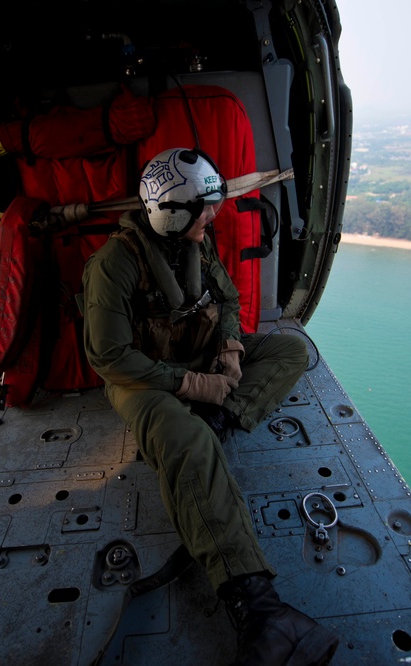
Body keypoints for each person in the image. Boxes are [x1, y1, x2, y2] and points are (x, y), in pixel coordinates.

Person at [82, 148, 338, 665]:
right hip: (142, 381)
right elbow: (109, 357)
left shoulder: (194, 241)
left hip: (197, 356)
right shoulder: (114, 266)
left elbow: (226, 300)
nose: (213, 217)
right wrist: (191, 384)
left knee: (290, 350)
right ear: (172, 215)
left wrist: (229, 348)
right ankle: (261, 610)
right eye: (204, 210)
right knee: (188, 439)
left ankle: (221, 418)